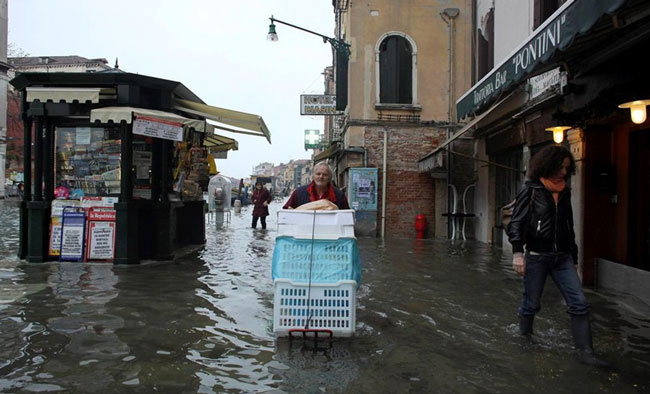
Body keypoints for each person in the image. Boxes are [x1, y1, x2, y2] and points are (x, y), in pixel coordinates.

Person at [507, 145, 608, 366]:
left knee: (579, 303)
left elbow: (568, 225)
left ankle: (586, 352)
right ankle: (525, 340)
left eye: (567, 168)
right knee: (531, 305)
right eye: (561, 168)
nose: (564, 172)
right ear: (548, 165)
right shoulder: (531, 189)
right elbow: (517, 223)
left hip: (562, 258)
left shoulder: (565, 191)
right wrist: (517, 253)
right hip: (536, 256)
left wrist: (573, 257)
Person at [283, 163, 350, 209]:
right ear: (313, 176)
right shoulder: (299, 193)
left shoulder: (339, 195)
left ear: (329, 177)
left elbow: (347, 217)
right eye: (318, 174)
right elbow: (286, 212)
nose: (321, 177)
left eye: (325, 174)